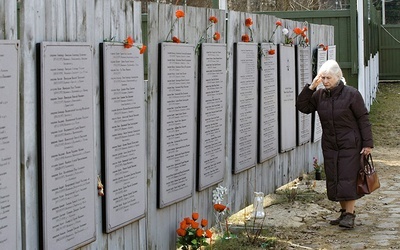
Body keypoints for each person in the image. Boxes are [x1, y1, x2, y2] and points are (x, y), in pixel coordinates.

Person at [296, 59, 373, 228]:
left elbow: (363, 118)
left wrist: (367, 144)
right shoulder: (319, 95)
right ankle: (344, 212)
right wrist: (311, 87)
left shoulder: (351, 94)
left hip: (350, 144)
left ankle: (350, 215)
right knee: (336, 178)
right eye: (322, 78)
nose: (325, 81)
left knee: (348, 178)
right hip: (330, 144)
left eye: (328, 78)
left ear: (338, 77)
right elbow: (302, 106)